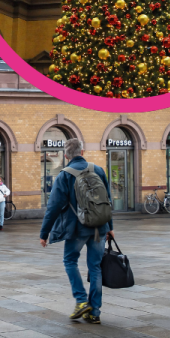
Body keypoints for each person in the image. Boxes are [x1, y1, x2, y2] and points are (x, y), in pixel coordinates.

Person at [39, 138, 113, 325]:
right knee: (95, 267)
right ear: (83, 151)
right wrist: (110, 227)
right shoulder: (98, 170)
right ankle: (94, 312)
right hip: (99, 227)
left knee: (70, 260)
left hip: (77, 228)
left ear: (66, 156)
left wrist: (44, 233)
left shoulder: (64, 175)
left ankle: (81, 301)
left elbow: (53, 206)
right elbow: (107, 201)